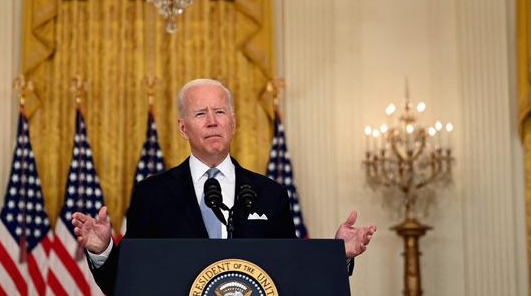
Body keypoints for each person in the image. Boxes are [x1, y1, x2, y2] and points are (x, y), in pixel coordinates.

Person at [72, 79, 376, 294]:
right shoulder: (152, 194)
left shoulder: (270, 194)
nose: (212, 121)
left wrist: (340, 255)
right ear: (183, 127)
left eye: (219, 112)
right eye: (200, 113)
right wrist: (103, 251)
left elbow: (292, 274)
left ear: (233, 122)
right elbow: (129, 283)